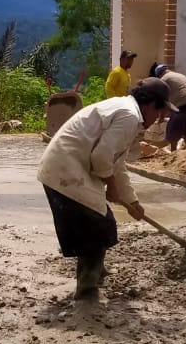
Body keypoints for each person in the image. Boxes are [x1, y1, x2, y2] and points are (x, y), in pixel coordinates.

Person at [38, 78, 173, 301]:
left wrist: (132, 201)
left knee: (99, 223)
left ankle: (96, 272)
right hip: (66, 171)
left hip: (66, 169)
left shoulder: (126, 112)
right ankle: (87, 290)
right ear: (150, 105)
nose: (157, 120)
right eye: (159, 113)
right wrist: (110, 185)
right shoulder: (129, 116)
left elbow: (116, 164)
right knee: (98, 229)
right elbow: (101, 157)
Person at [152, 64, 186, 151]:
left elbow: (164, 103)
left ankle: (173, 153)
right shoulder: (179, 75)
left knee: (172, 133)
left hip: (183, 105)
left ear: (159, 75)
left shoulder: (163, 80)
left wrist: (161, 119)